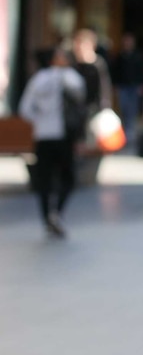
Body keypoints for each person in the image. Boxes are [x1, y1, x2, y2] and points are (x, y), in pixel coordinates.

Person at [18, 42, 86, 237]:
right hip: (63, 136)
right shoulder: (69, 77)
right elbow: (81, 96)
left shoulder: (38, 80)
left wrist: (40, 120)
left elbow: (25, 110)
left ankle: (47, 216)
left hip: (43, 135)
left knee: (44, 179)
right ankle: (57, 213)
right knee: (68, 177)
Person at [110, 32, 143, 142]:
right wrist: (115, 85)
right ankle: (123, 133)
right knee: (123, 109)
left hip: (134, 87)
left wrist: (142, 85)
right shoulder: (120, 56)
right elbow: (115, 72)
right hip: (123, 86)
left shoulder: (139, 56)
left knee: (132, 110)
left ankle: (130, 133)